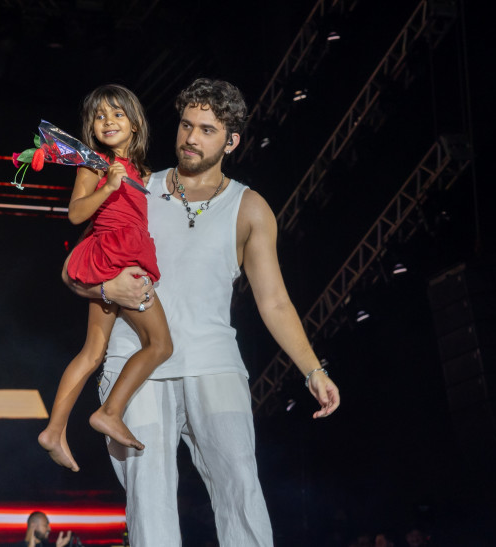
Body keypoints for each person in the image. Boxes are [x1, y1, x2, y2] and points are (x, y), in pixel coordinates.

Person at [64, 78, 341, 545]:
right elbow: (75, 272)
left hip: (214, 364)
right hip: (136, 363)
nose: (191, 138)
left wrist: (313, 369)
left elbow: (273, 301)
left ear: (231, 141)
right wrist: (106, 285)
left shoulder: (249, 208)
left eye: (207, 130)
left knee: (240, 491)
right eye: (186, 125)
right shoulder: (133, 185)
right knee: (148, 501)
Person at [38, 84, 173, 472]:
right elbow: (76, 214)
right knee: (161, 344)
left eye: (117, 114)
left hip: (118, 258)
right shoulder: (94, 165)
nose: (108, 121)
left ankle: (54, 430)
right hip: (116, 259)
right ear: (92, 128)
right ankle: (110, 411)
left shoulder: (141, 171)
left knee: (93, 351)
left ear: (135, 125)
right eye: (100, 116)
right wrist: (110, 186)